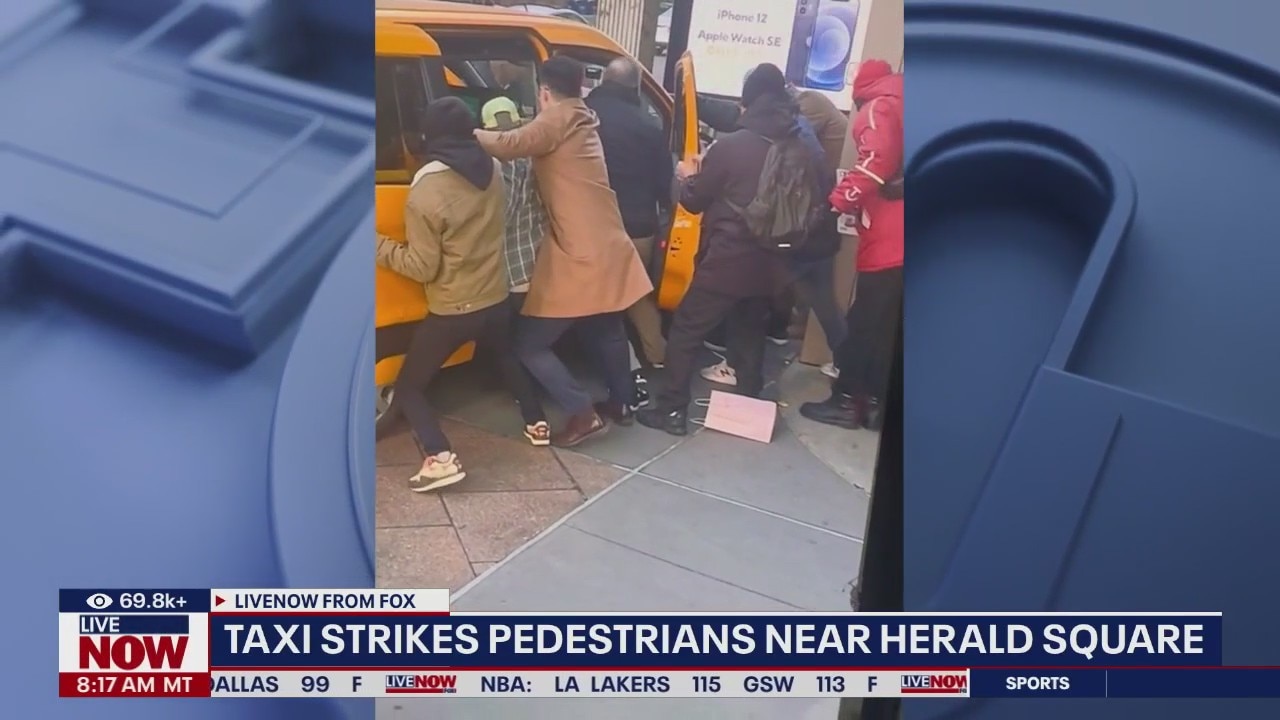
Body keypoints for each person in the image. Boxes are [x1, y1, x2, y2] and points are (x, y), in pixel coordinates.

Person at [475, 56, 653, 447]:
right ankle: (621, 404)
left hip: (582, 253)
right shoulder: (582, 117)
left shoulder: (556, 119)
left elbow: (508, 145)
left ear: (543, 92)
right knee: (606, 328)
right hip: (609, 243)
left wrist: (461, 133)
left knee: (530, 344)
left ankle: (581, 412)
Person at [375, 97, 551, 492]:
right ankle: (537, 422)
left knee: (409, 388)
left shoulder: (427, 191)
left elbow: (423, 267)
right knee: (506, 356)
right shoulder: (492, 167)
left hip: (454, 306)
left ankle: (440, 458)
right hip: (494, 296)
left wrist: (376, 245)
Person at [637, 63, 804, 436]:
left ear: (747, 103)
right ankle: (746, 410)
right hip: (774, 263)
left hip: (727, 260)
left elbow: (694, 202)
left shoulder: (732, 146)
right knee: (749, 333)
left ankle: (672, 410)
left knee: (686, 330)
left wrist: (688, 176)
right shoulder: (798, 142)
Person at [801, 59, 904, 431]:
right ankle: (875, 403)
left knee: (863, 324)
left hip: (890, 239)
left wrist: (835, 204)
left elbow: (874, 163)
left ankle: (846, 401)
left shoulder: (879, 107)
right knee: (887, 328)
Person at [585, 57, 672, 371]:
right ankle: (657, 355)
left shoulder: (582, 116)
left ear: (603, 81)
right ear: (635, 87)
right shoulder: (648, 127)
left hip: (587, 224)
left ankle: (582, 357)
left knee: (582, 293)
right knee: (636, 293)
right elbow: (666, 185)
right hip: (637, 227)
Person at [479, 96, 549, 322]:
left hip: (513, 270)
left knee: (518, 344)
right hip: (538, 261)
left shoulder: (497, 166)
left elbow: (501, 216)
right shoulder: (535, 157)